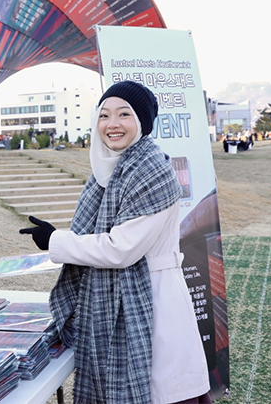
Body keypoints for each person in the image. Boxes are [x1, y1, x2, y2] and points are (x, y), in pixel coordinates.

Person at [20, 81, 210, 404]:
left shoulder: (151, 171)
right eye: (104, 115)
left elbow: (120, 248)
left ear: (142, 122)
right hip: (123, 299)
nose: (112, 124)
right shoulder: (109, 170)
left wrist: (57, 241)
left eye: (124, 114)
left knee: (160, 392)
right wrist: (59, 237)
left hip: (152, 301)